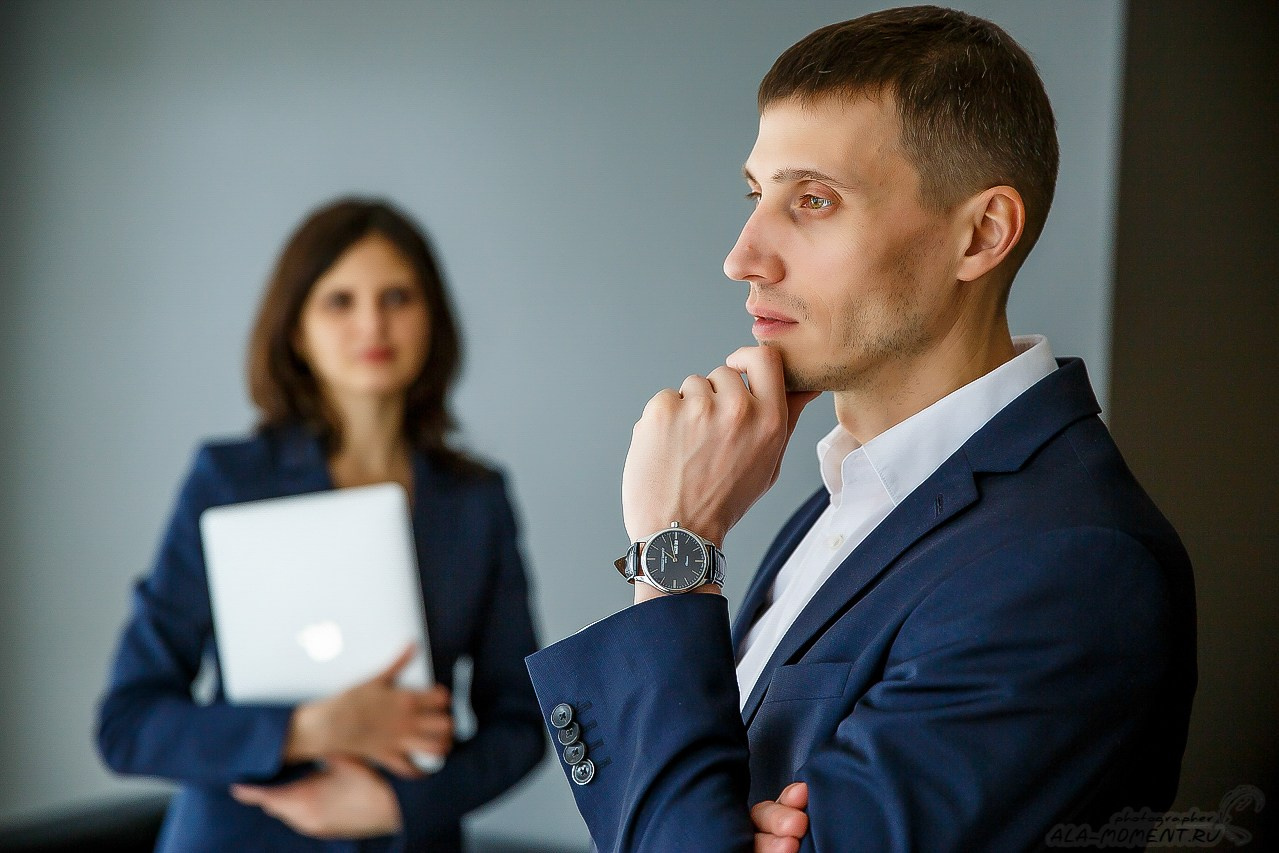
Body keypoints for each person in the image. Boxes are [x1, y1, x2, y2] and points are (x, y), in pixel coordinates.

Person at [524, 7, 1196, 852]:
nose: (742, 255)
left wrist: (676, 552)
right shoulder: (851, 497)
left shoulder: (1072, 567)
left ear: (981, 234)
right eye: (755, 194)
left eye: (812, 199)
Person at [97, 198, 546, 852]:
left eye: (397, 296)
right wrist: (309, 728)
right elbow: (128, 723)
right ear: (297, 329)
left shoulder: (477, 499)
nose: (372, 322)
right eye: (339, 300)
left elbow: (522, 721)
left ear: (433, 320)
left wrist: (396, 803)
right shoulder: (227, 481)